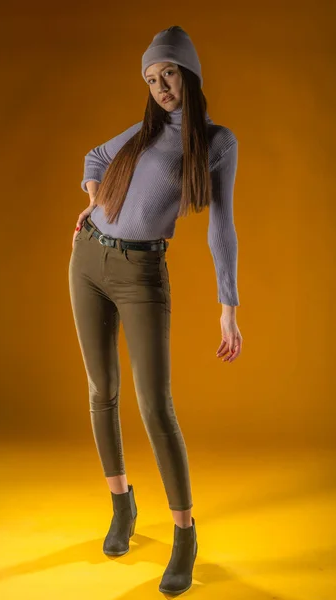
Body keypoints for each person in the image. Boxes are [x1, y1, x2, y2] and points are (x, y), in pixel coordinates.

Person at [68, 25, 243, 596]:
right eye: (150, 78)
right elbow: (95, 154)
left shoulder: (215, 142)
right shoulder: (144, 131)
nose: (161, 86)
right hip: (88, 260)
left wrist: (228, 306)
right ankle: (121, 504)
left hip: (143, 271)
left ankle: (185, 535)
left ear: (188, 73)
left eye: (168, 73)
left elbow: (222, 229)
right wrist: (95, 199)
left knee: (154, 406)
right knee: (101, 391)